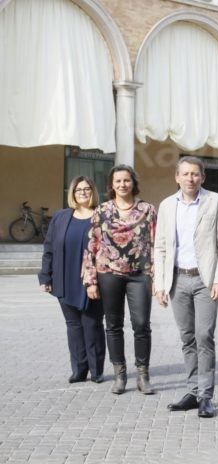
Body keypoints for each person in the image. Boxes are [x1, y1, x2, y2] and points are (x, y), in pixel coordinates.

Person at [154, 157, 218, 418]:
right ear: (177, 177)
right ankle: (192, 391)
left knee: (204, 336)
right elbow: (160, 247)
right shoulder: (167, 205)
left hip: (204, 281)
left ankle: (206, 396)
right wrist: (160, 283)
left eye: (195, 174)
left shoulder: (216, 201)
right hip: (177, 280)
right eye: (185, 174)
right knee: (187, 337)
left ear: (202, 177)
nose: (190, 178)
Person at [83, 165, 157, 395]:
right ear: (111, 185)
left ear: (133, 183)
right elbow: (92, 245)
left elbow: (156, 243)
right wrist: (91, 280)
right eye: (118, 181)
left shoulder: (147, 210)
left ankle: (143, 375)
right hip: (108, 273)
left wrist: (158, 276)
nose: (123, 184)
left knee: (141, 324)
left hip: (140, 275)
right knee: (113, 325)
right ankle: (120, 375)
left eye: (126, 180)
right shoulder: (102, 210)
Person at [39, 176, 106, 384]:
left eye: (87, 189)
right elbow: (49, 248)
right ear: (72, 193)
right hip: (64, 278)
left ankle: (96, 370)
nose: (83, 192)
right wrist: (45, 276)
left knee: (92, 324)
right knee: (73, 326)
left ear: (93, 191)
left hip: (92, 280)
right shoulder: (61, 217)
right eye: (78, 189)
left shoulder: (102, 216)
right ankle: (79, 369)